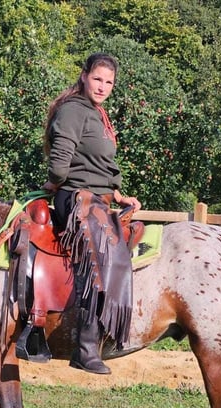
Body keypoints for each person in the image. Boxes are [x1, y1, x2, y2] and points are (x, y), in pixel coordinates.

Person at [42, 52, 141, 375]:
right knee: (102, 255)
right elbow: (61, 162)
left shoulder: (98, 114)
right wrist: (53, 183)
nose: (102, 86)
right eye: (97, 78)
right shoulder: (73, 110)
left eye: (109, 82)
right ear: (84, 75)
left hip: (98, 198)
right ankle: (85, 347)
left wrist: (117, 192)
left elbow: (101, 164)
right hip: (75, 198)